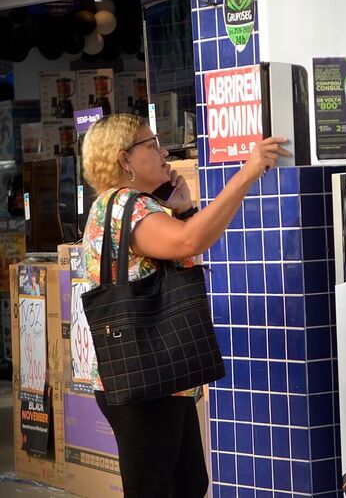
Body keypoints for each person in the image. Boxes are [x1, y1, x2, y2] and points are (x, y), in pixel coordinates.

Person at [80, 113, 290, 497]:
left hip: (157, 378)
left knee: (187, 484)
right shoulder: (129, 206)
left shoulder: (125, 206)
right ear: (124, 159)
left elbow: (181, 242)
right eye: (151, 144)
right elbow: (188, 242)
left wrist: (183, 210)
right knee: (160, 489)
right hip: (146, 381)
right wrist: (246, 174)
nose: (164, 153)